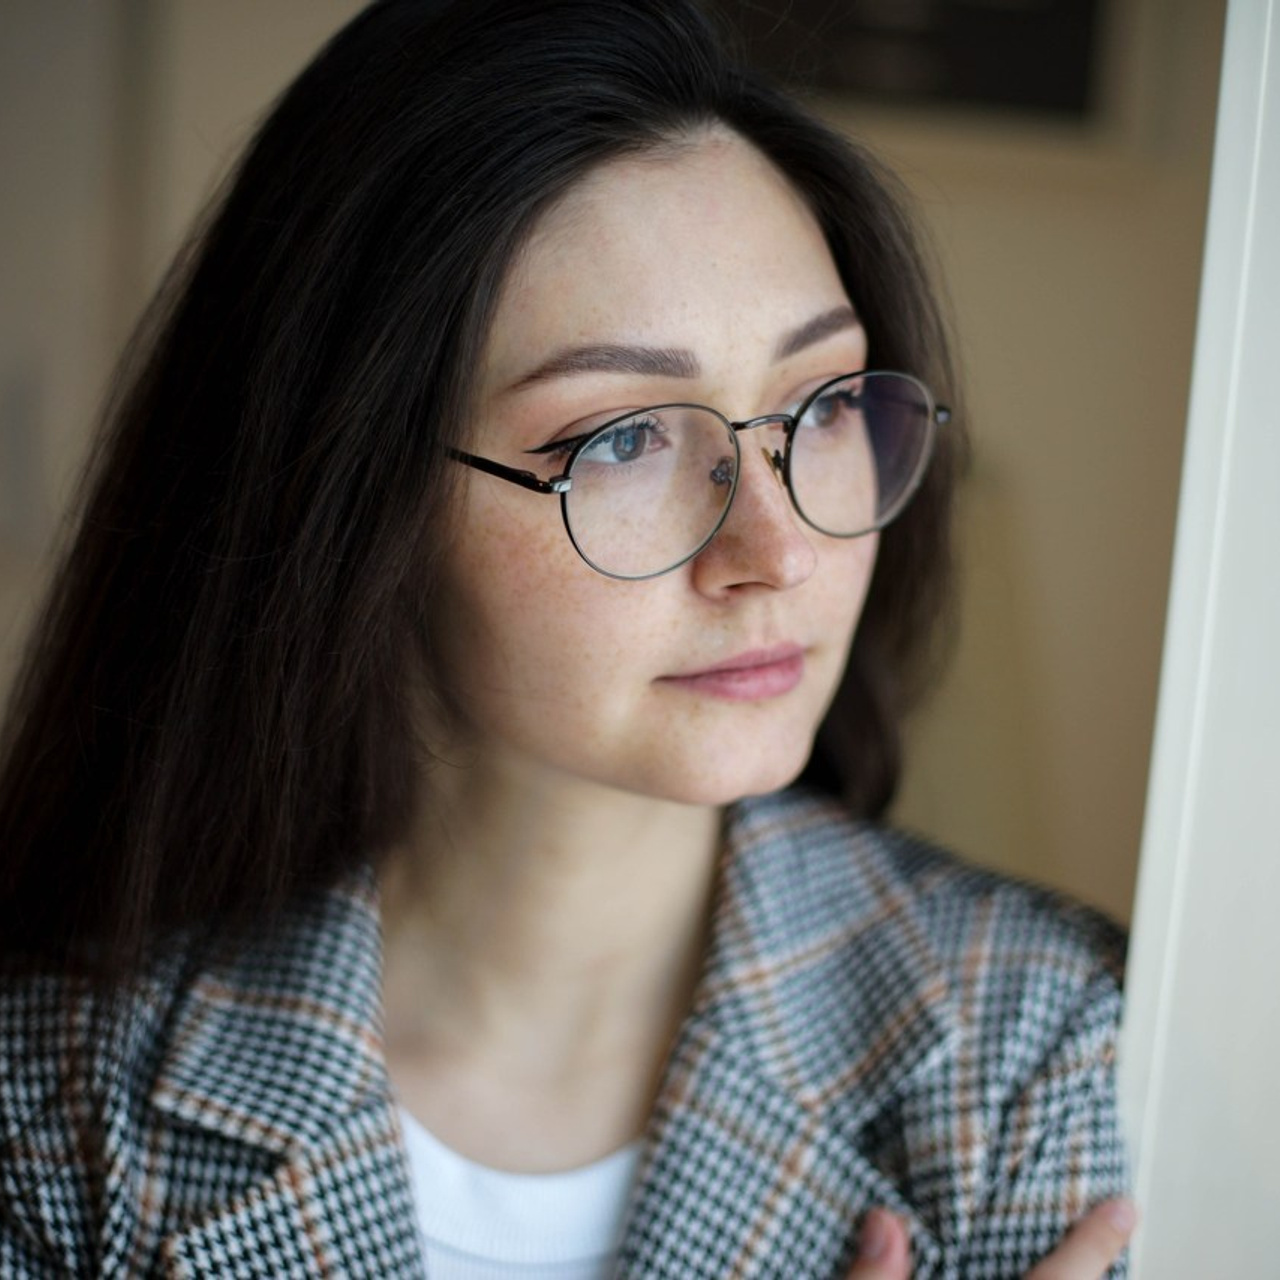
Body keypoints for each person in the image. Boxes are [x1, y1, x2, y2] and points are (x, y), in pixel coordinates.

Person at [0, 0, 1135, 1275]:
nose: (779, 552)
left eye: (818, 403)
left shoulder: (1050, 1058)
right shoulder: (53, 1096)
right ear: (352, 492)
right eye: (625, 438)